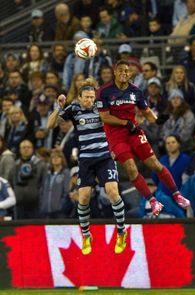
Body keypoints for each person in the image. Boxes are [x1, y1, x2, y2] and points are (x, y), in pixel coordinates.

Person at [96, 60, 190, 217]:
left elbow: (146, 111)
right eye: (120, 70)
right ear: (114, 72)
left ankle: (176, 194)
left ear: (131, 74)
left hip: (134, 132)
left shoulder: (135, 91)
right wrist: (125, 123)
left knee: (155, 164)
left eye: (127, 71)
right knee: (132, 169)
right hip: (116, 136)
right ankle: (152, 201)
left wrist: (157, 119)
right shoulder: (104, 91)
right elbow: (104, 117)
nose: (124, 73)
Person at [47, 78, 127, 255]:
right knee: (83, 197)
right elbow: (50, 125)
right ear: (79, 97)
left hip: (105, 157)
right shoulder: (74, 109)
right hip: (86, 161)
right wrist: (58, 107)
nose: (90, 100)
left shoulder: (102, 107)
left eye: (92, 97)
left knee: (112, 191)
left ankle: (121, 232)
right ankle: (86, 235)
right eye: (87, 97)